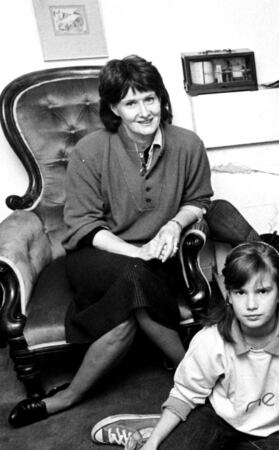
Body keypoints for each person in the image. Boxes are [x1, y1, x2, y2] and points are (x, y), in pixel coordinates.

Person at [7, 55, 262, 428]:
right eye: (130, 102)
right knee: (135, 275)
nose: (144, 111)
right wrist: (137, 252)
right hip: (97, 256)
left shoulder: (188, 144)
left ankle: (66, 396)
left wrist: (174, 226)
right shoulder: (90, 151)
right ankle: (200, 380)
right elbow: (82, 226)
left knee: (131, 301)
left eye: (149, 98)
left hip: (163, 257)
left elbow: (199, 200)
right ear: (114, 108)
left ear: (161, 98)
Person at [98, 241, 279, 450]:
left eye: (262, 291)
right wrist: (153, 444)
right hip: (217, 418)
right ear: (228, 295)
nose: (251, 305)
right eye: (240, 292)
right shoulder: (211, 340)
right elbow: (186, 393)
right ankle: (149, 432)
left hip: (275, 430)